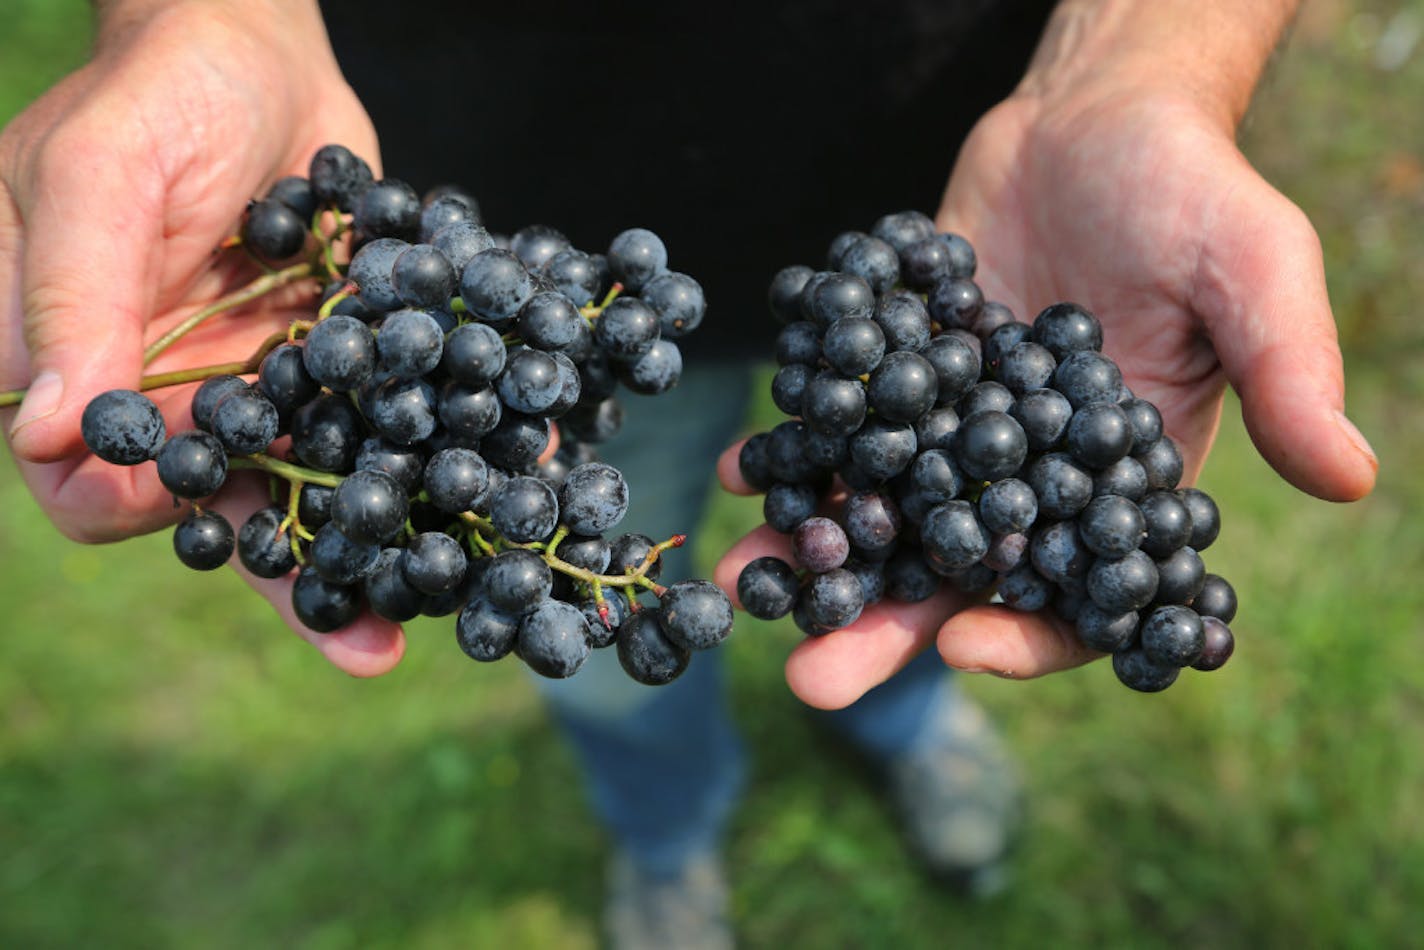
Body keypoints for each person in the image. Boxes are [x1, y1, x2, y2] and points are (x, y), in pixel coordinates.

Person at [0, 1, 1378, 947]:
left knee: (903, 569)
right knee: (599, 622)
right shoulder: (438, 317)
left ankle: (902, 729)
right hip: (498, 213)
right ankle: (664, 830)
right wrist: (201, 13)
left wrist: (1137, 64)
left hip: (961, 183)